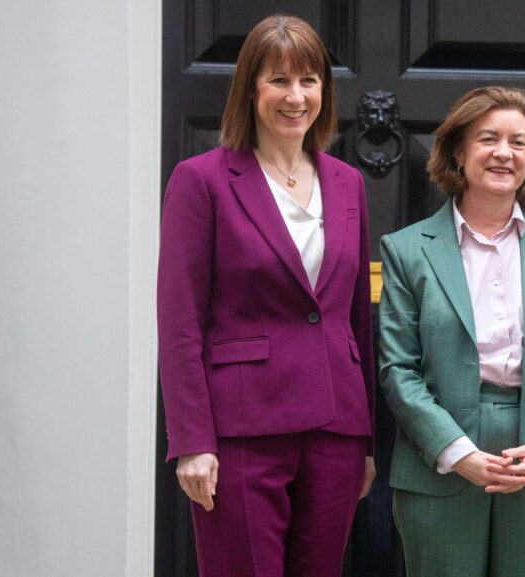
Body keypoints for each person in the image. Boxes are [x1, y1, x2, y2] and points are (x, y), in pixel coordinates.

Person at [157, 14, 375, 577]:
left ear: (324, 91)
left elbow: (356, 318)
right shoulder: (201, 180)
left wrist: (367, 436)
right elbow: (180, 320)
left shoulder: (347, 182)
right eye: (278, 80)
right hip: (241, 432)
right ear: (251, 88)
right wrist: (191, 440)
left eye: (308, 80)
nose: (295, 96)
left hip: (336, 429)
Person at [378, 86, 525, 577]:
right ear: (459, 151)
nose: (504, 153)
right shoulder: (408, 249)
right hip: (442, 462)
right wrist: (458, 454)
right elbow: (399, 369)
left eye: (519, 143)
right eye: (488, 139)